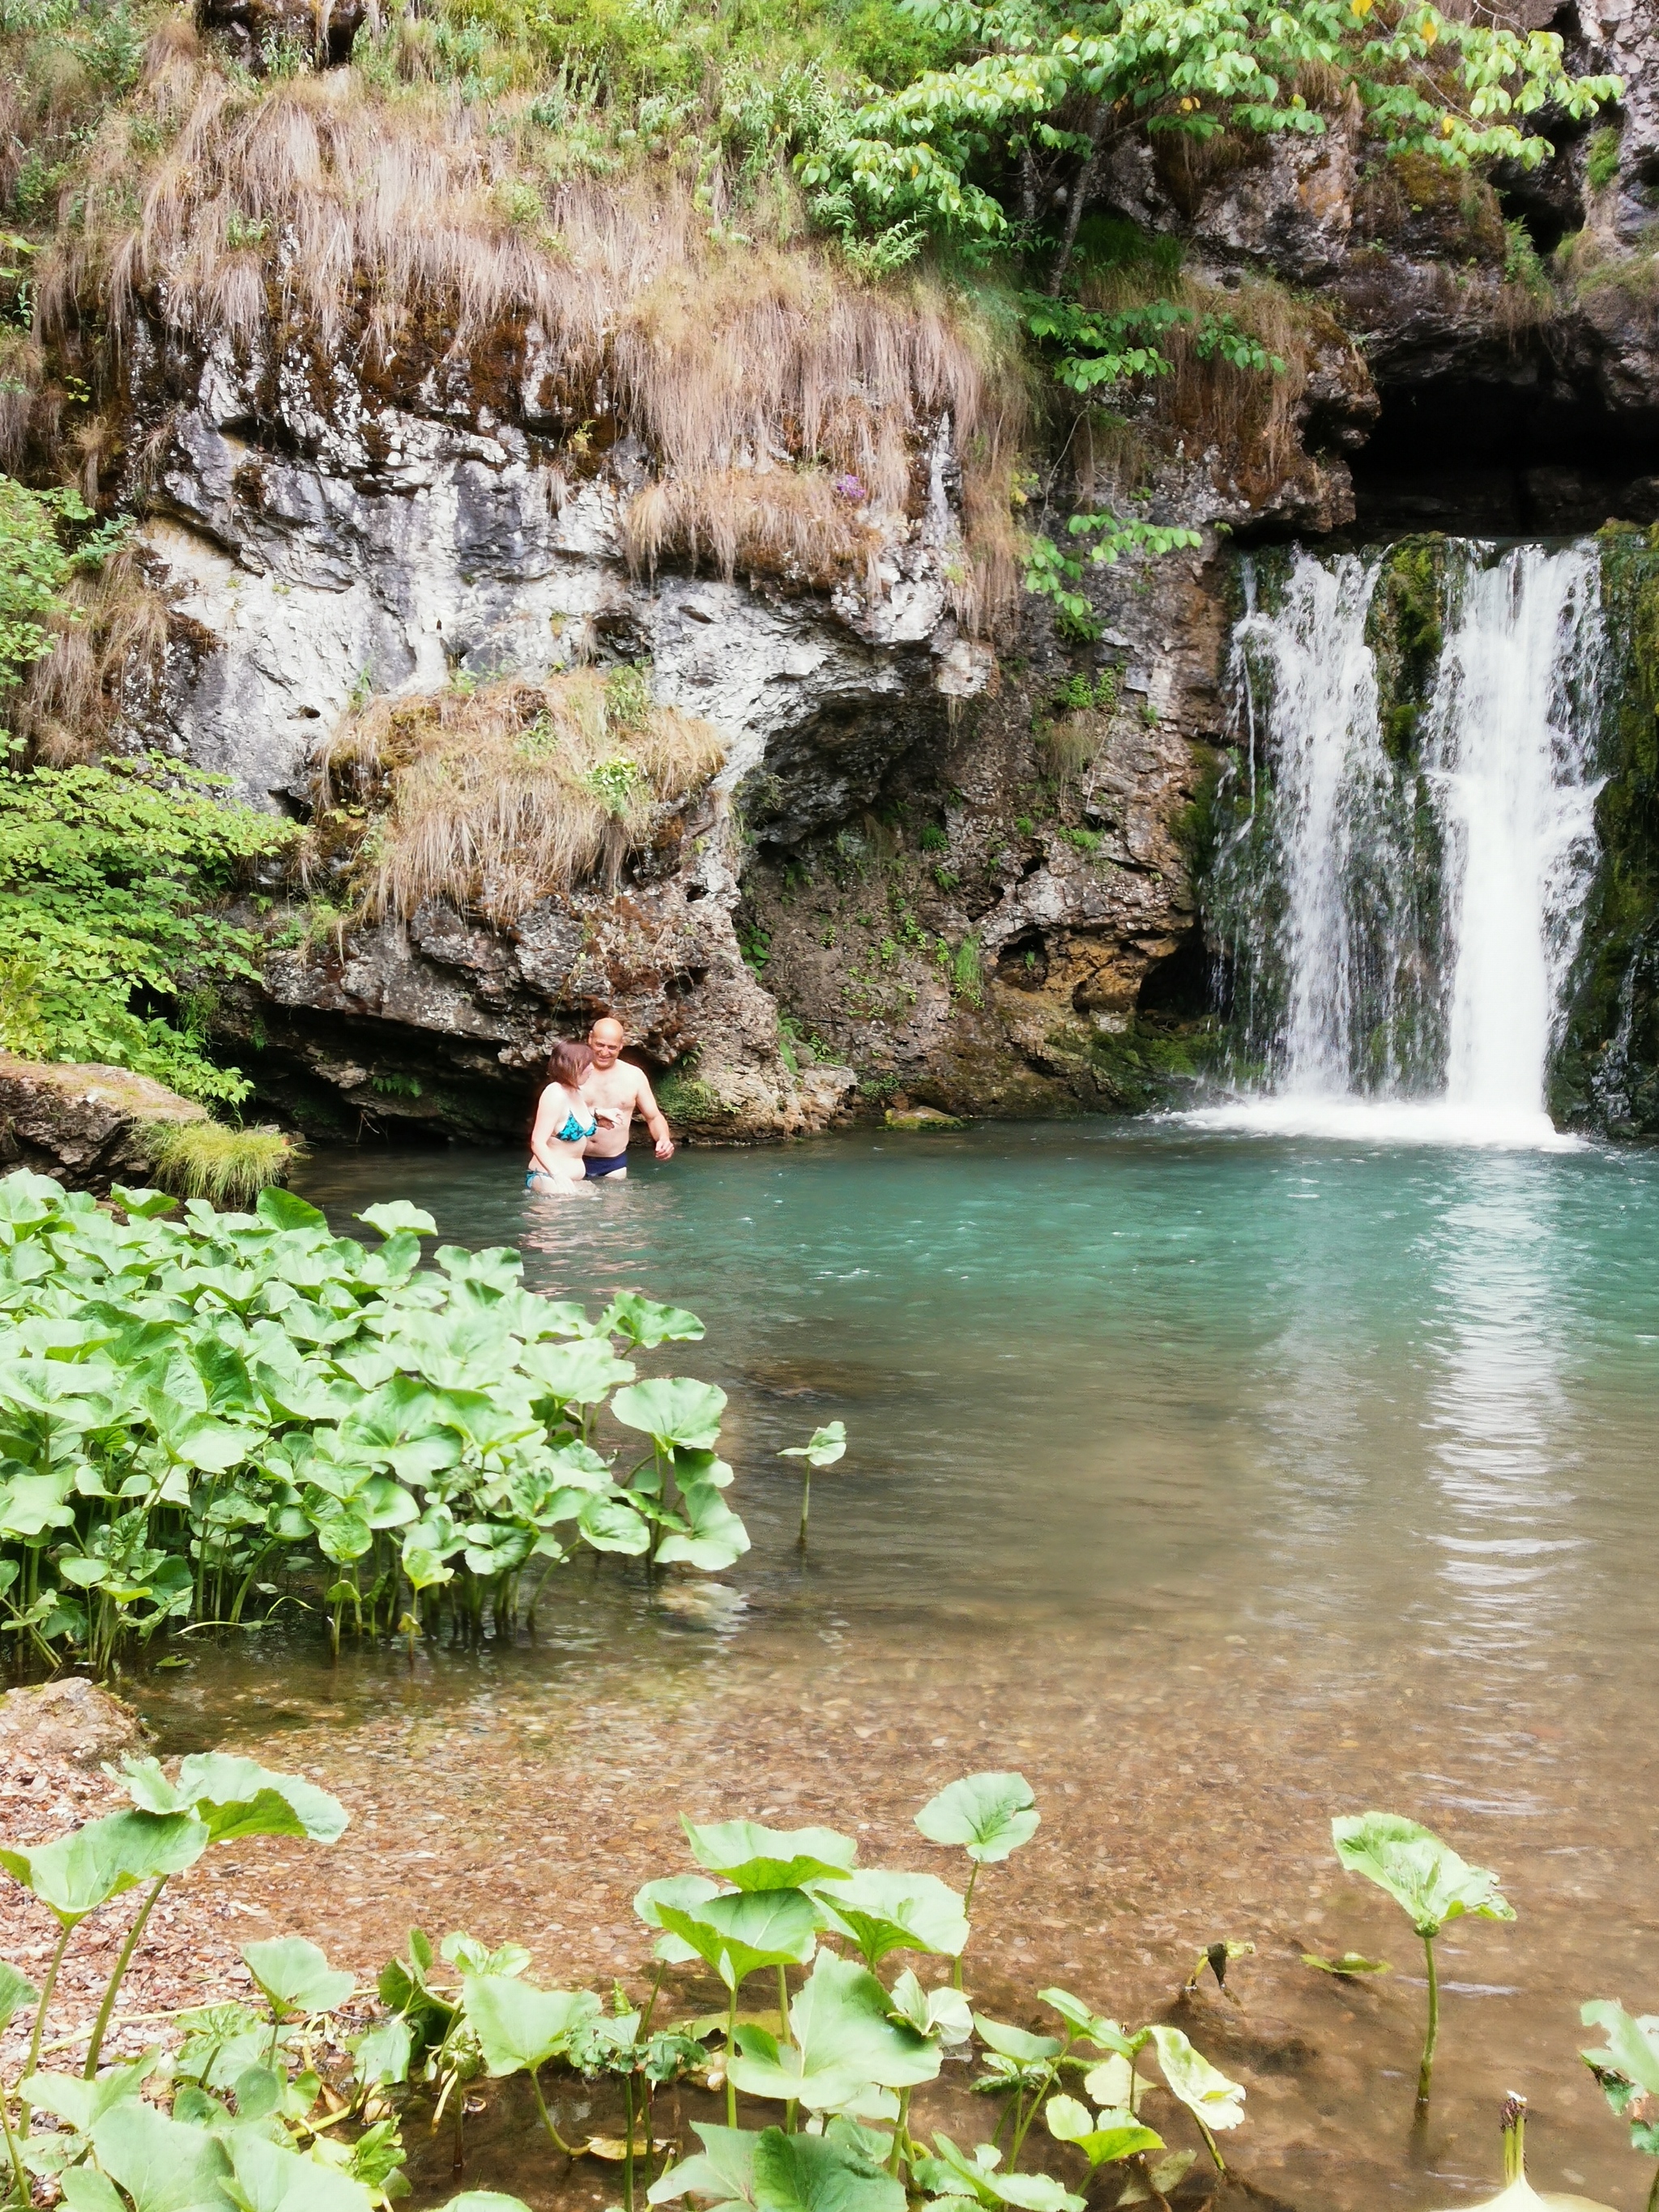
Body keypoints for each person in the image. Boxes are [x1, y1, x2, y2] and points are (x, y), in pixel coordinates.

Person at [578, 1015, 675, 1181]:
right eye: (599, 1045)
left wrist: (664, 1139)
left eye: (612, 1047)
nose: (604, 1052)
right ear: (590, 1038)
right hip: (572, 1158)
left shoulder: (634, 1076)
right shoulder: (573, 1071)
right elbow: (555, 1112)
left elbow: (654, 1117)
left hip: (612, 1163)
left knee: (615, 1205)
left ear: (621, 1045)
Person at [527, 1040, 621, 1196]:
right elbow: (537, 1141)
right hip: (549, 1178)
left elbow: (566, 1119)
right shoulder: (554, 1093)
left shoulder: (576, 1092)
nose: (592, 1068)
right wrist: (557, 1175)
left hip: (572, 1181)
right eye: (587, 1064)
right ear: (570, 1066)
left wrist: (597, 1116)